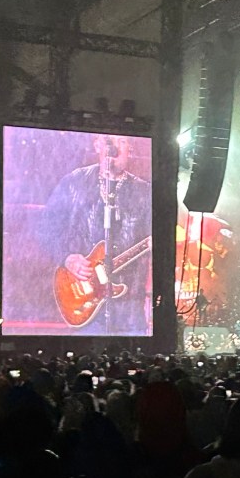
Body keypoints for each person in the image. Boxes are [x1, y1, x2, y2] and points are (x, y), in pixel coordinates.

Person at [42, 133, 152, 335]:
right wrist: (67, 258)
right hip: (86, 302)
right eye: (108, 140)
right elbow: (46, 229)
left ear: (130, 148)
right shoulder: (73, 183)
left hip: (129, 311)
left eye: (122, 141)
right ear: (97, 145)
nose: (114, 147)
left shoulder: (145, 193)